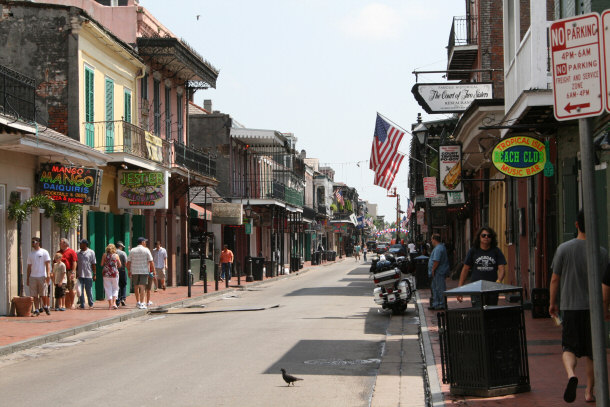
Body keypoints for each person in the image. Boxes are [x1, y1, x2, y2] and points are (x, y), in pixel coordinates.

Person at [550, 209, 607, 403]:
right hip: (594, 310)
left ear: (576, 225)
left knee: (569, 348)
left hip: (571, 307)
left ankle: (571, 376)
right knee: (592, 352)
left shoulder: (564, 249)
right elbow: (605, 284)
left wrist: (552, 303)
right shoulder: (601, 252)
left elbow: (555, 279)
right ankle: (589, 392)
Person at [457, 227, 507, 307]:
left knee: (491, 312)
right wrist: (460, 289)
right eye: (483, 235)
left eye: (489, 236)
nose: (486, 237)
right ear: (479, 237)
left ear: (492, 238)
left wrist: (498, 281)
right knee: (478, 311)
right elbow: (465, 269)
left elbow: (502, 268)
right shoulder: (473, 251)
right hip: (476, 287)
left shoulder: (496, 251)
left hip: (492, 288)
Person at [26, 237, 52, 316]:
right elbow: (29, 267)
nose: (32, 243)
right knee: (34, 294)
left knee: (43, 293)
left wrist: (48, 275)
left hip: (42, 276)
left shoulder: (44, 252)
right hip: (33, 276)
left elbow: (47, 264)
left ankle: (45, 306)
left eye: (34, 242)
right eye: (32, 242)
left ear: (38, 242)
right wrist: (28, 278)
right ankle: (37, 309)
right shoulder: (31, 254)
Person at [126, 237, 154, 309]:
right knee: (142, 287)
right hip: (144, 271)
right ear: (142, 242)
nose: (146, 243)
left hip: (135, 271)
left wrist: (129, 271)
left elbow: (128, 262)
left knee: (136, 286)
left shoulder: (132, 250)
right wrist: (153, 271)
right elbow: (151, 261)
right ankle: (142, 303)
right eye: (145, 242)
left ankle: (138, 302)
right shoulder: (146, 250)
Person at [427, 234, 450, 310]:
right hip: (437, 272)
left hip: (438, 272)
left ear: (434, 239)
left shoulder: (438, 248)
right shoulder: (439, 247)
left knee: (439, 288)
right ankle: (436, 303)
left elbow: (436, 260)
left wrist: (433, 269)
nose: (431, 241)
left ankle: (441, 303)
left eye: (431, 239)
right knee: (435, 288)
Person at [57, 238, 77, 309]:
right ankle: (62, 305)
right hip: (60, 272)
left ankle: (72, 303)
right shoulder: (59, 253)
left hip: (69, 271)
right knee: (62, 288)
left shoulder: (71, 252)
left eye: (61, 243)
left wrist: (73, 272)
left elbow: (74, 262)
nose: (60, 244)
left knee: (71, 287)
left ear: (65, 244)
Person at [77, 239, 97, 309]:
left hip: (88, 274)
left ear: (85, 245)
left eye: (81, 244)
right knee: (80, 290)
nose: (80, 245)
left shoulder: (91, 252)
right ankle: (82, 304)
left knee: (89, 290)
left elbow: (93, 264)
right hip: (80, 274)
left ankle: (91, 303)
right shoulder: (78, 253)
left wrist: (94, 274)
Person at [101, 244, 121, 309]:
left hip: (106, 273)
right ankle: (114, 303)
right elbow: (120, 264)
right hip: (114, 273)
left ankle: (110, 304)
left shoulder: (104, 255)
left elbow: (101, 264)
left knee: (107, 288)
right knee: (115, 288)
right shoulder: (116, 255)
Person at [115, 241, 128, 307]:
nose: (122, 248)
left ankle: (117, 300)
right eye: (122, 247)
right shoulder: (123, 253)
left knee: (117, 285)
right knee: (123, 284)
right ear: (120, 246)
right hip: (122, 270)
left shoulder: (113, 253)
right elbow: (126, 263)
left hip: (114, 271)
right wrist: (128, 270)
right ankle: (123, 298)